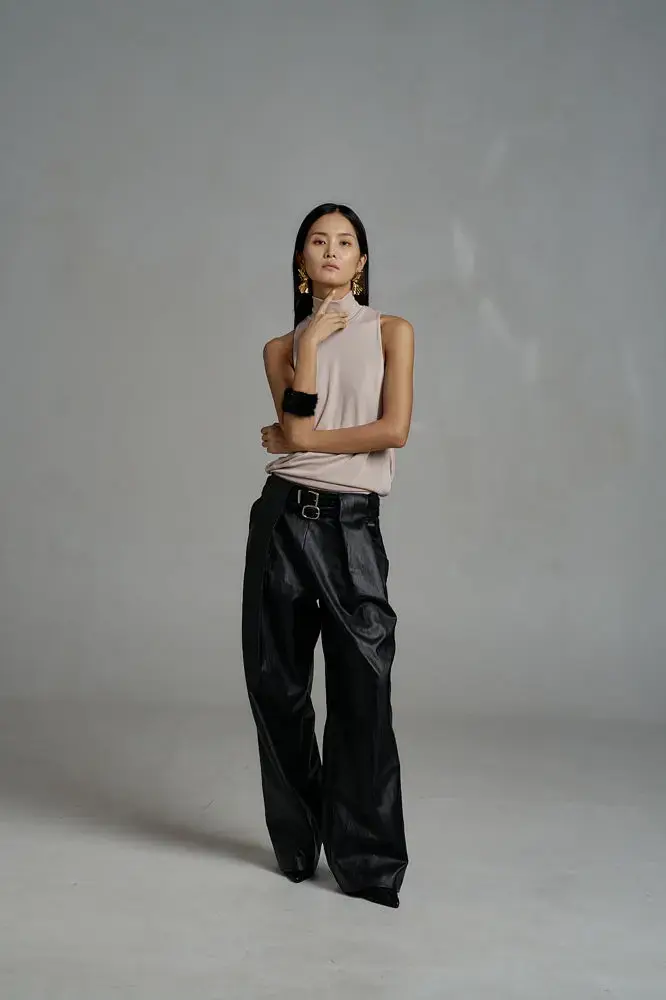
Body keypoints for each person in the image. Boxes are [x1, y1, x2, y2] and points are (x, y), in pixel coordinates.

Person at [241, 202, 414, 909]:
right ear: (301, 260)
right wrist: (310, 341)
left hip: (350, 526)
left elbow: (392, 430)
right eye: (319, 241)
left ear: (362, 261)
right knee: (276, 688)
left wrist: (304, 441)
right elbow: (297, 420)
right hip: (282, 520)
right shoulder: (279, 349)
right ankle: (296, 843)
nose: (332, 251)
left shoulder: (392, 331)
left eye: (346, 242)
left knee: (363, 692)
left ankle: (368, 863)